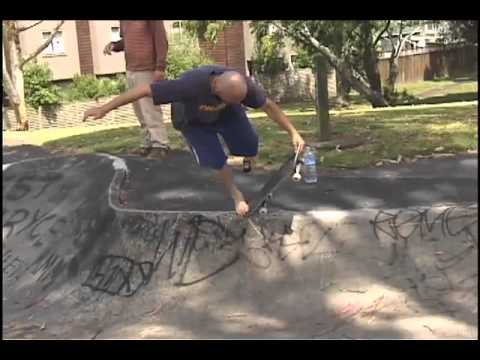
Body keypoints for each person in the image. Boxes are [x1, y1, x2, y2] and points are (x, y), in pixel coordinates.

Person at [83, 65, 305, 217]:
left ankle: (246, 156)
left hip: (226, 116)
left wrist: (293, 132)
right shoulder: (188, 85)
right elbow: (142, 90)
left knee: (250, 144)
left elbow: (269, 107)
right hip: (192, 121)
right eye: (227, 100)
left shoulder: (242, 86)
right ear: (216, 86)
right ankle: (236, 196)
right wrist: (104, 108)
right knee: (216, 160)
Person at [104, 20, 170, 158]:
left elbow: (161, 40)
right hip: (131, 69)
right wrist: (114, 46)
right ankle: (147, 143)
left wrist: (160, 67)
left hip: (148, 69)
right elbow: (127, 41)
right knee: (139, 111)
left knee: (150, 109)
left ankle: (160, 144)